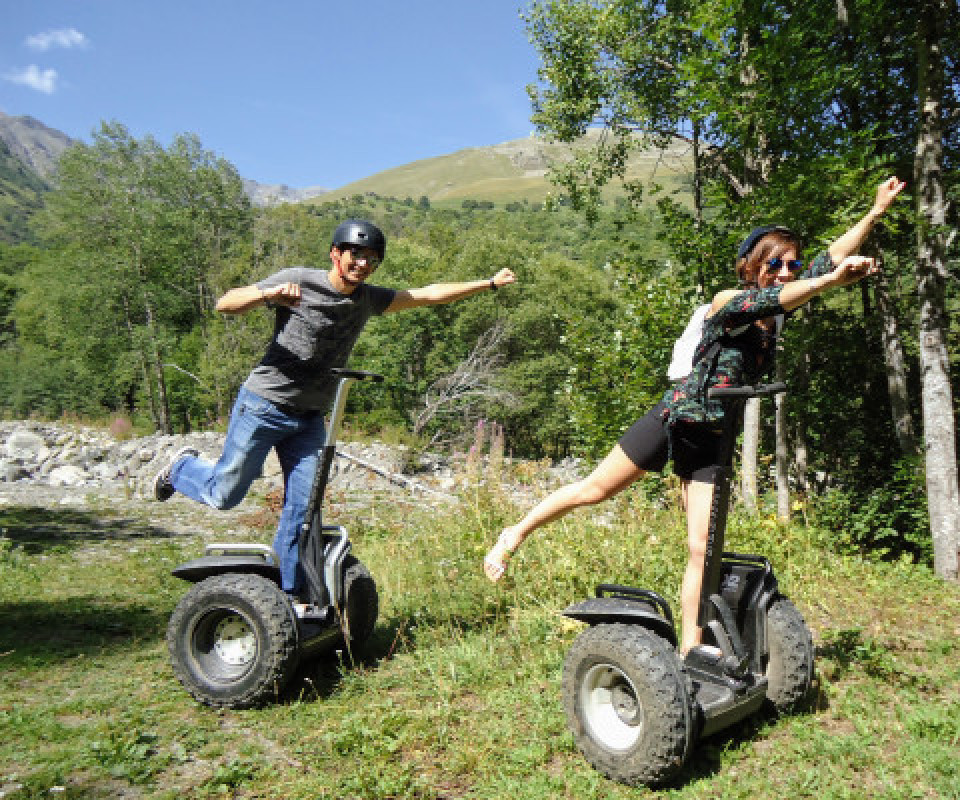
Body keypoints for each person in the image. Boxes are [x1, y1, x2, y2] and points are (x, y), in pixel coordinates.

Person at [484, 177, 905, 654]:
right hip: (674, 418)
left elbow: (827, 260)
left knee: (702, 549)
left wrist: (875, 212)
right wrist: (828, 281)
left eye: (792, 265)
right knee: (594, 490)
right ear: (751, 266)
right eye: (775, 264)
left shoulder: (782, 306)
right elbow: (789, 290)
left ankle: (690, 651)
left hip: (713, 437)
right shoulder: (728, 302)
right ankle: (514, 533)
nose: (786, 272)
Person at [154, 218, 516, 602]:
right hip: (263, 405)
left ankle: (289, 595)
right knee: (226, 495)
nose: (362, 264)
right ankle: (181, 469)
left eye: (371, 259)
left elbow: (427, 294)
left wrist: (489, 284)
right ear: (335, 254)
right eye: (355, 255)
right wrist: (269, 295)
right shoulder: (299, 281)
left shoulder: (368, 299)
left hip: (309, 418)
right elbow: (225, 303)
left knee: (304, 512)